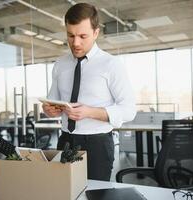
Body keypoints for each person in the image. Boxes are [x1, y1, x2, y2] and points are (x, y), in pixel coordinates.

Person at [42, 3, 136, 181]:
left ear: (96, 33)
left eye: (82, 36)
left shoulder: (111, 64)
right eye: (70, 35)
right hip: (66, 141)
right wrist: (49, 110)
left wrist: (90, 112)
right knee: (64, 191)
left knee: (95, 194)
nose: (75, 43)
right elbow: (53, 101)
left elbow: (129, 109)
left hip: (97, 145)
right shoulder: (60, 65)